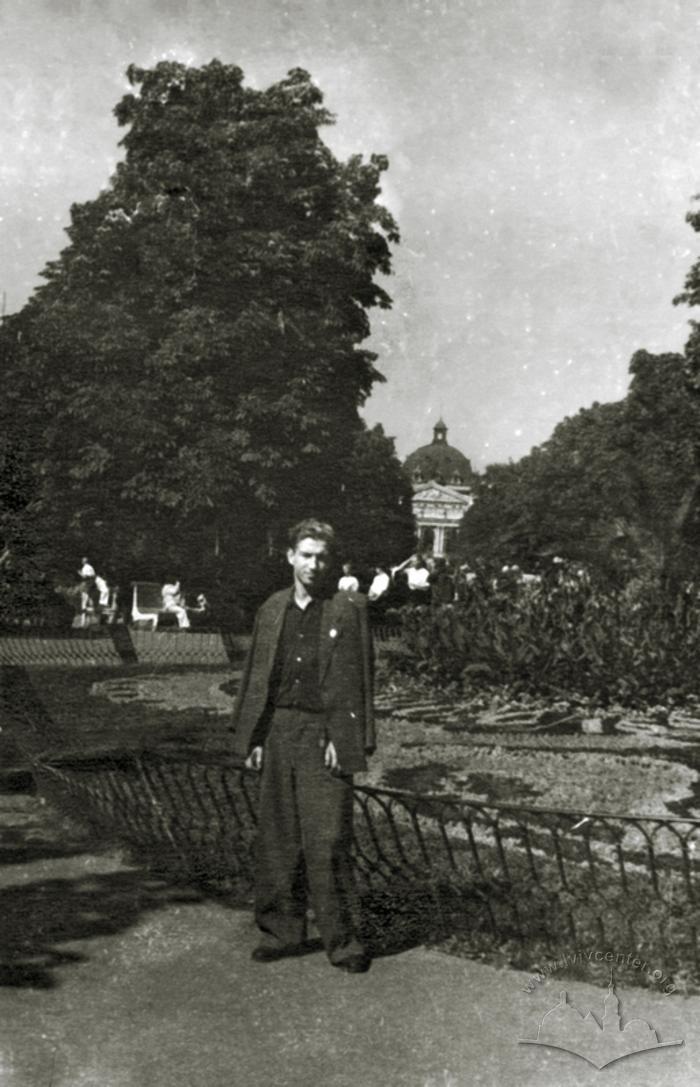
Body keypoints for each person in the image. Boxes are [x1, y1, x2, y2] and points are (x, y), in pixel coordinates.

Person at [231, 518, 374, 973]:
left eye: (321, 557)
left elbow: (360, 680)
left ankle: (344, 941)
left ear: (331, 561)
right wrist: (254, 736)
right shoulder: (273, 608)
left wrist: (345, 738)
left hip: (321, 734)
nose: (314, 564)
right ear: (290, 556)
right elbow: (257, 677)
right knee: (277, 837)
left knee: (328, 838)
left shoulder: (346, 609)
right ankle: (280, 931)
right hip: (279, 732)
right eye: (306, 555)